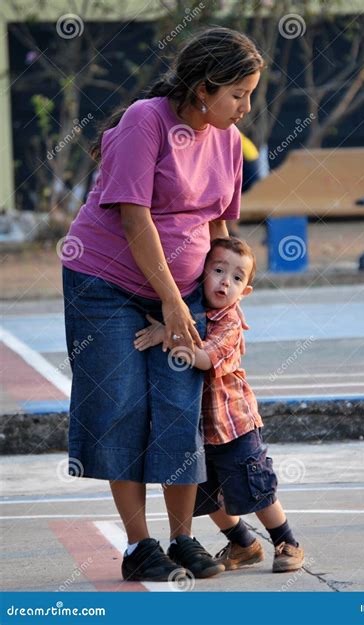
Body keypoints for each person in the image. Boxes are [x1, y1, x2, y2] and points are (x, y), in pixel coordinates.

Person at [60, 27, 264, 582]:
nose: (246, 107)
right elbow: (134, 216)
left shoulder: (224, 138)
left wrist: (224, 296)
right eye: (239, 94)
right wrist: (173, 305)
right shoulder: (144, 120)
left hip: (184, 292)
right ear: (204, 88)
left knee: (179, 410)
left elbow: (220, 226)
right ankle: (139, 544)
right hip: (103, 283)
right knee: (121, 405)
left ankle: (181, 538)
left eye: (251, 94)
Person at [134, 237, 305, 573]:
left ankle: (287, 541)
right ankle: (243, 543)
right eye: (218, 270)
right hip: (203, 429)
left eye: (237, 278)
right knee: (205, 493)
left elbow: (202, 358)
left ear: (246, 291)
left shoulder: (230, 323)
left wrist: (166, 334)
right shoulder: (195, 312)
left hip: (234, 425)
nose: (226, 281)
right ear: (202, 273)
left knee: (254, 488)